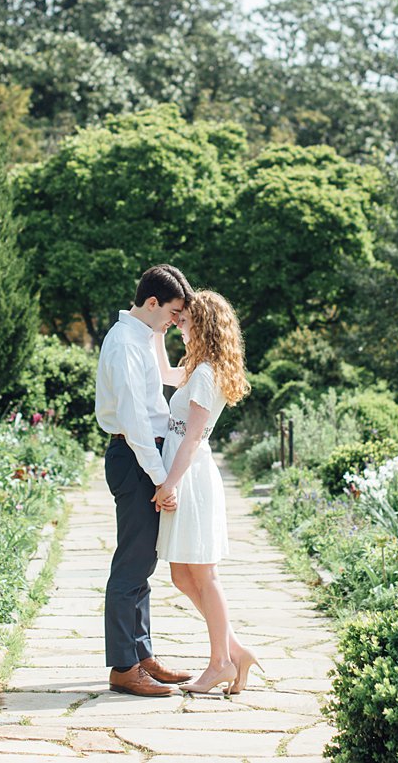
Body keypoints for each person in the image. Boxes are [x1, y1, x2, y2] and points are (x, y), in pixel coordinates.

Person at [151, 290, 259, 695]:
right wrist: (159, 330)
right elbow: (164, 373)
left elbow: (191, 439)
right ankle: (235, 651)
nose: (181, 326)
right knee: (182, 574)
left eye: (185, 321)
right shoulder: (200, 368)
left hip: (190, 477)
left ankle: (219, 663)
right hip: (188, 473)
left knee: (203, 573)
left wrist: (168, 484)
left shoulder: (205, 374)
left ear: (205, 325)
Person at [96, 264, 196, 697]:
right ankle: (123, 668)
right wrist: (161, 479)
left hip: (143, 457)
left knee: (144, 563)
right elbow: (135, 421)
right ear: (152, 303)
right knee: (131, 563)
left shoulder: (143, 339)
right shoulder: (123, 345)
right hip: (135, 457)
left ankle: (142, 653)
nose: (175, 321)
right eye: (173, 312)